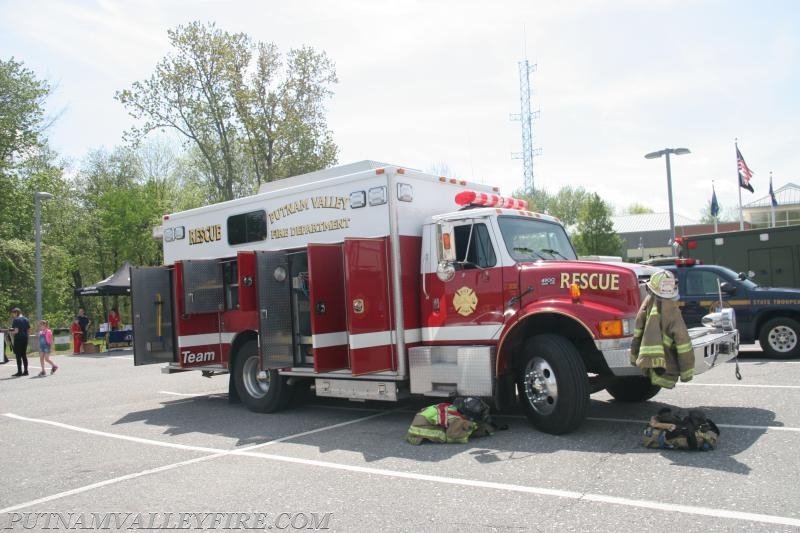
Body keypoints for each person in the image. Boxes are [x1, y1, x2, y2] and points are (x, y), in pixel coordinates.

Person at [630, 270, 694, 388]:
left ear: (650, 289)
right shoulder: (673, 311)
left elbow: (637, 332)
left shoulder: (646, 304)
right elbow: (682, 340)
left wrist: (634, 357)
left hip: (647, 360)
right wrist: (687, 373)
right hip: (667, 362)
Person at [9, 307, 30, 377]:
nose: (13, 315)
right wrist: (27, 338)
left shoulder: (16, 320)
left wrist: (11, 332)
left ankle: (19, 371)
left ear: (16, 313)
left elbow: (16, 331)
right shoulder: (26, 319)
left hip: (18, 339)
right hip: (25, 339)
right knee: (24, 355)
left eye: (13, 314)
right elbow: (28, 330)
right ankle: (26, 371)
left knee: (18, 356)